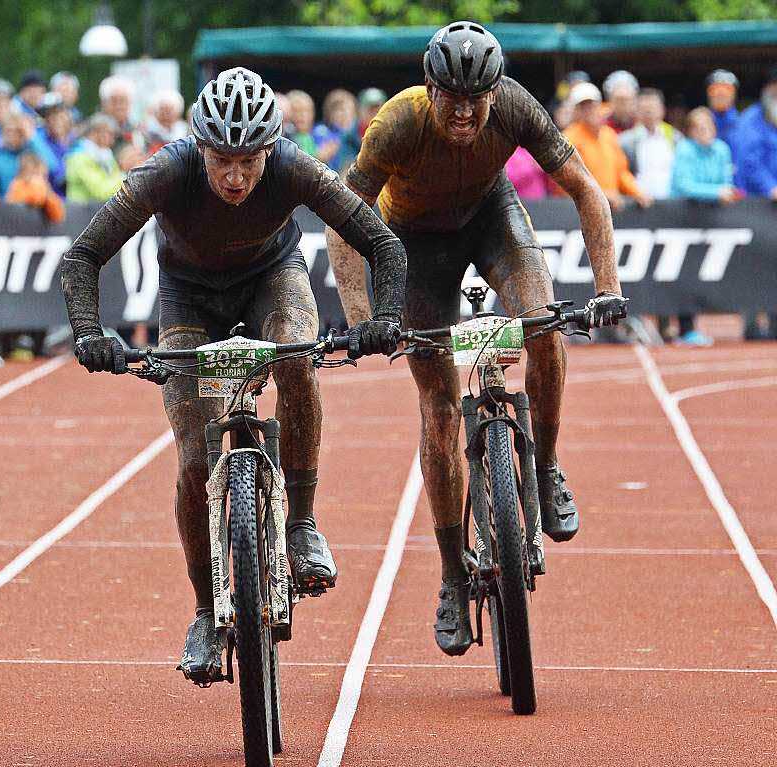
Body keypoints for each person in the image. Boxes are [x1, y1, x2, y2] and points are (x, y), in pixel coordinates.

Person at [61, 67, 406, 685]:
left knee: (299, 355)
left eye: (251, 160)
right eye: (222, 159)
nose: (236, 177)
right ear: (199, 147)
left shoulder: (297, 167)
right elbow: (83, 255)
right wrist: (89, 331)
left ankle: (300, 523)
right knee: (195, 458)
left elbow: (383, 243)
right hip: (189, 299)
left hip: (273, 279)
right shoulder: (166, 170)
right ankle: (202, 611)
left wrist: (383, 319)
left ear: (272, 148)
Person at [325, 21, 628, 657]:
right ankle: (450, 573)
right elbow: (343, 221)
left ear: (496, 91)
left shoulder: (517, 105)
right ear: (428, 87)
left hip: (491, 218)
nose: (464, 112)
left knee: (544, 323)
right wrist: (362, 318)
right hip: (412, 247)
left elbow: (586, 191)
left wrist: (608, 287)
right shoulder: (396, 124)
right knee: (437, 404)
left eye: (477, 99)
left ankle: (545, 468)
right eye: (450, 97)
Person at [667, 107, 740, 347]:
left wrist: (721, 192)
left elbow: (727, 183)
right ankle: (683, 328)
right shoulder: (685, 150)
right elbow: (684, 185)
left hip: (712, 221)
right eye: (698, 128)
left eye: (708, 126)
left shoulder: (721, 149)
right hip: (682, 221)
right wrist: (715, 193)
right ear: (690, 131)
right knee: (684, 271)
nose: (704, 132)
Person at [729, 65, 777, 340]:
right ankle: (751, 323)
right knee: (752, 265)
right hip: (755, 205)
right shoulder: (751, 119)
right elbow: (748, 161)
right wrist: (770, 187)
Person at [564, 82, 652, 211]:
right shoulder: (568, 138)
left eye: (592, 105)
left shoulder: (608, 135)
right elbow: (570, 181)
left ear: (599, 106)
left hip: (611, 208)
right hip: (580, 210)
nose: (588, 109)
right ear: (575, 111)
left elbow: (621, 172)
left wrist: (636, 192)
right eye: (582, 106)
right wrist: (601, 194)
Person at [619, 88, 680, 200]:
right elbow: (622, 174)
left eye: (652, 108)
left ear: (662, 110)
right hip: (639, 203)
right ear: (636, 111)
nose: (649, 113)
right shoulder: (625, 141)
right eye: (644, 109)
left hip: (671, 202)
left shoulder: (676, 138)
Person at [65, 113, 124, 202]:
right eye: (111, 134)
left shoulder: (106, 154)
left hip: (96, 210)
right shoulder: (78, 157)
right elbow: (101, 192)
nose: (113, 139)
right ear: (98, 132)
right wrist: (124, 176)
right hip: (80, 212)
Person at [6, 150, 65, 223]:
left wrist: (48, 196)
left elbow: (58, 216)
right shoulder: (17, 185)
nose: (39, 180)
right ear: (23, 174)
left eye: (42, 176)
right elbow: (21, 202)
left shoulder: (45, 190)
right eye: (35, 174)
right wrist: (38, 189)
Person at [705, 69, 740, 150]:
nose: (721, 94)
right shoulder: (700, 123)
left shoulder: (743, 124)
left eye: (727, 90)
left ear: (734, 94)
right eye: (715, 90)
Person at [603, 70, 639, 134]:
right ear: (610, 100)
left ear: (634, 100)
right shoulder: (602, 125)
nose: (624, 105)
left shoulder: (642, 124)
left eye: (627, 100)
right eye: (619, 100)